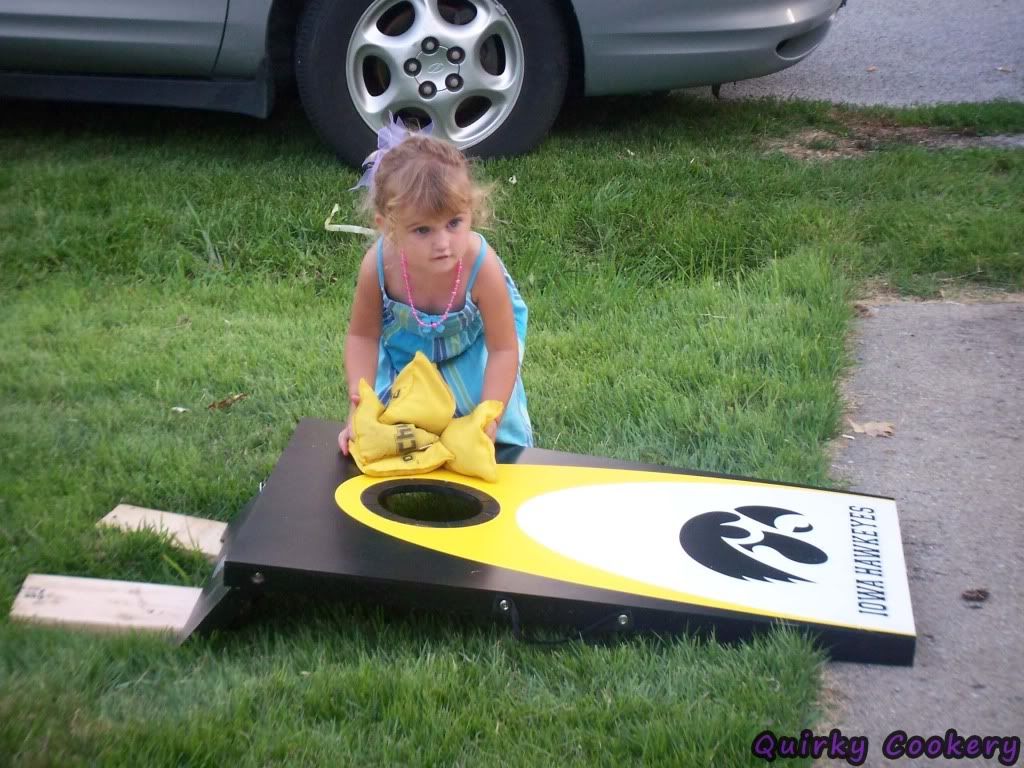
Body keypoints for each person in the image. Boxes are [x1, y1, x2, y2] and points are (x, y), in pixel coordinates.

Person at [338, 124, 533, 455]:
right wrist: (360, 406)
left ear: (472, 210)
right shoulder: (378, 266)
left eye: (454, 223)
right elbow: (362, 338)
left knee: (489, 449)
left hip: (470, 362)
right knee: (394, 442)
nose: (442, 244)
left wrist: (490, 415)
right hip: (407, 366)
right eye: (423, 230)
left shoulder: (480, 265)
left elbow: (503, 348)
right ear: (387, 227)